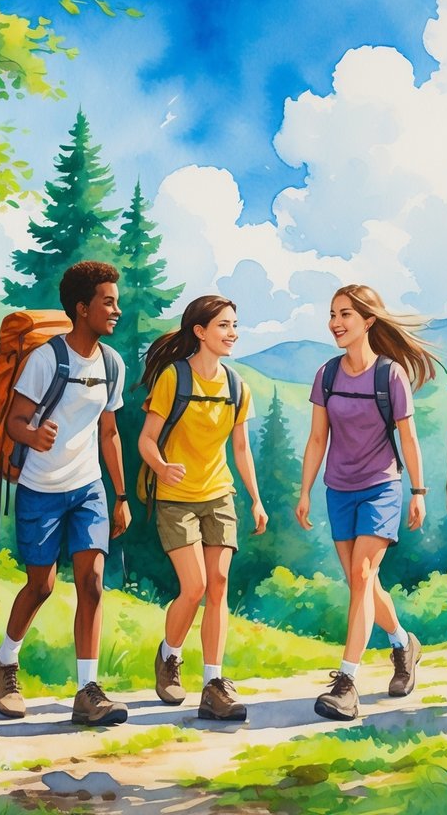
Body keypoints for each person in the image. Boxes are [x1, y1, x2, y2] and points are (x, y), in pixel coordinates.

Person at [0, 261, 132, 726]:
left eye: (116, 300)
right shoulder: (45, 359)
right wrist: (33, 437)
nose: (116, 309)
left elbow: (109, 432)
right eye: (107, 302)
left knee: (91, 583)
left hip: (87, 487)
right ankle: (6, 661)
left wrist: (121, 496)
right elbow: (15, 421)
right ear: (82, 307)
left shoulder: (112, 363)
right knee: (42, 585)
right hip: (40, 488)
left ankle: (87, 691)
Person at [296, 284, 439, 721]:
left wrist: (418, 490)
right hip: (338, 490)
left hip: (381, 487)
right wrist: (304, 491)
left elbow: (408, 436)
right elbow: (318, 436)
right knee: (365, 585)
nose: (336, 323)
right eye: (333, 314)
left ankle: (346, 682)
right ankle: (403, 643)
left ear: (368, 322)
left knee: (362, 576)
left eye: (346, 315)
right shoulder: (327, 375)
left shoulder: (390, 375)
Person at [139, 295, 268, 722]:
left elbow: (242, 447)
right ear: (200, 331)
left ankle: (214, 684)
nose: (232, 333)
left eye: (235, 325)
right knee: (192, 588)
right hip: (177, 499)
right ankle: (170, 655)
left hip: (220, 495)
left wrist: (255, 498)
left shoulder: (236, 385)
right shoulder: (174, 379)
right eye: (223, 326)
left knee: (217, 585)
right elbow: (146, 439)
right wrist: (160, 465)